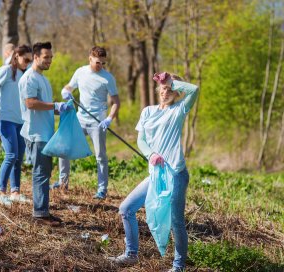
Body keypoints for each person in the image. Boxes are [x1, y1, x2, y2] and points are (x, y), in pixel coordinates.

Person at [108, 72, 199, 272]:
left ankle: (178, 266)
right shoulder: (148, 111)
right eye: (163, 89)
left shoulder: (179, 110)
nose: (165, 92)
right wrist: (150, 154)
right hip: (156, 175)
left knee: (176, 221)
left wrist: (171, 81)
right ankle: (131, 254)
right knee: (126, 209)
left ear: (175, 93)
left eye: (169, 90)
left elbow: (194, 90)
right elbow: (141, 140)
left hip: (175, 174)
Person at [55, 46, 120, 199]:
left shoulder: (108, 78)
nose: (101, 66)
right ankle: (62, 182)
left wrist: (109, 118)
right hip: (80, 119)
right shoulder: (80, 72)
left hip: (98, 122)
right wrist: (66, 92)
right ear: (90, 59)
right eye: (98, 62)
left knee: (100, 156)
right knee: (64, 148)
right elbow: (69, 87)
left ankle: (102, 189)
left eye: (103, 63)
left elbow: (116, 101)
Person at [18, 41, 72, 226]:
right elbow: (30, 103)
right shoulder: (29, 78)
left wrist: (60, 109)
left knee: (45, 172)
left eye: (51, 57)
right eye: (46, 57)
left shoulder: (42, 78)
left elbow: (44, 106)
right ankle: (39, 215)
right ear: (36, 57)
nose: (49, 60)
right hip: (36, 133)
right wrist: (55, 105)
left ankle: (44, 212)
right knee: (41, 172)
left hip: (46, 133)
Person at [0, 44, 33, 207]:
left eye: (30, 60)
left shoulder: (25, 74)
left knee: (19, 158)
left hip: (20, 122)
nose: (27, 62)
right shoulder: (6, 70)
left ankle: (15, 193)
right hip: (5, 119)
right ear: (16, 57)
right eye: (25, 59)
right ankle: (0, 192)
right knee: (11, 155)